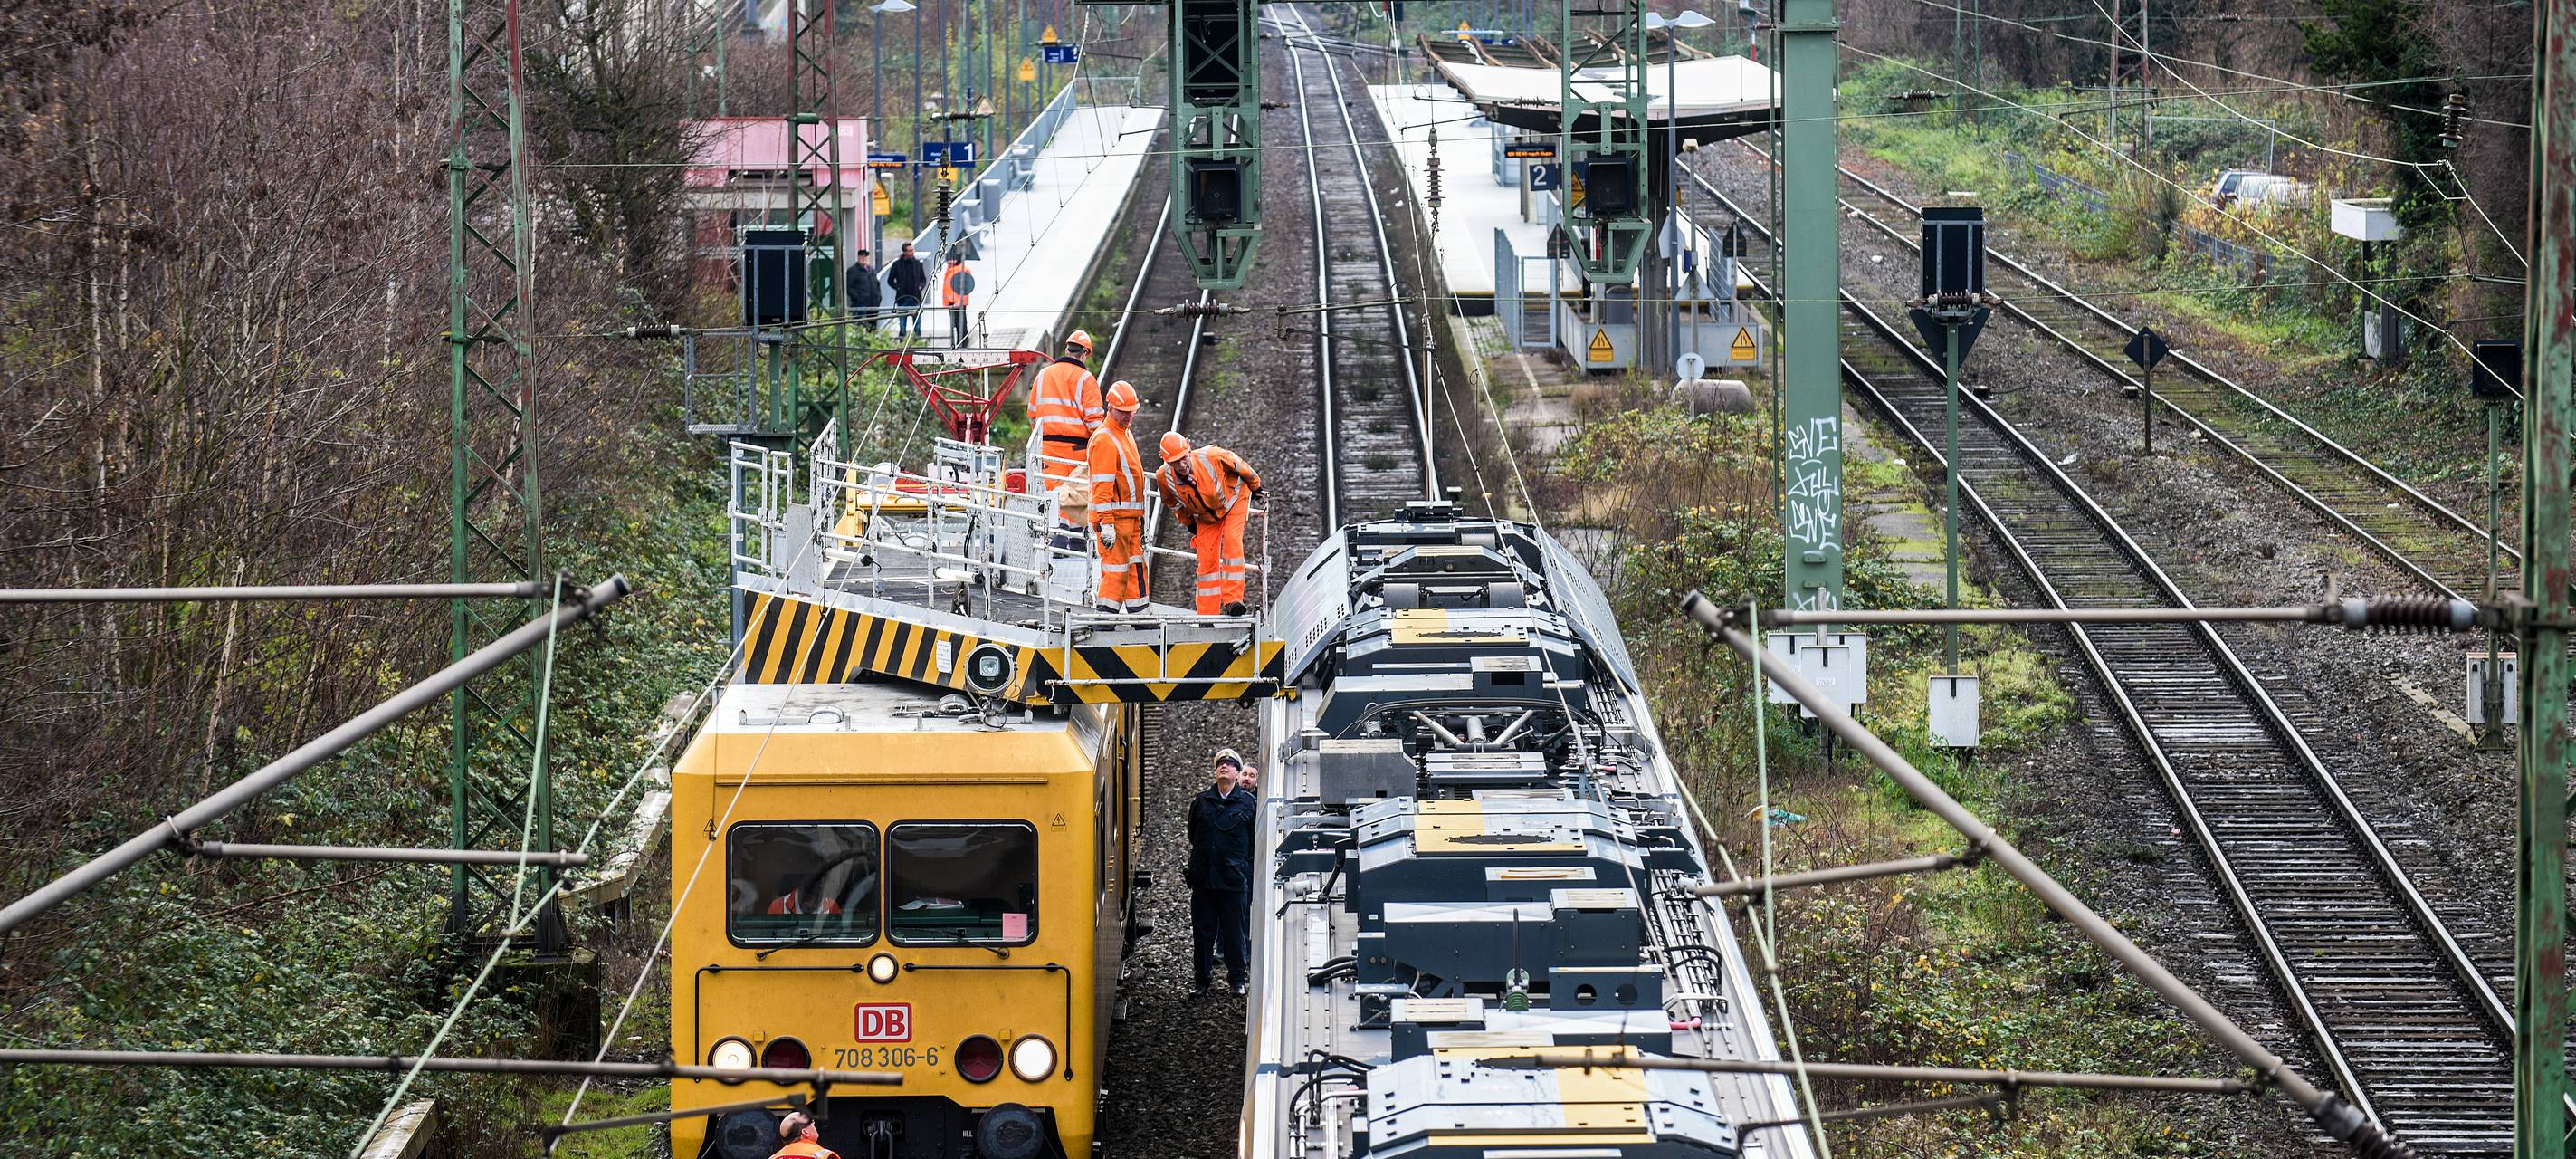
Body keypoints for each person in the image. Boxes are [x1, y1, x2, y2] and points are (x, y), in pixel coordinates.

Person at [1154, 430, 1264, 617]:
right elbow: (1171, 502)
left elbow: (1239, 465)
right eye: (1175, 462)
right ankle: (1207, 614)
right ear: (1167, 462)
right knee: (1206, 560)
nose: (1181, 465)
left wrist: (1256, 486)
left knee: (1232, 541)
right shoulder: (1163, 478)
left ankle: (1233, 601)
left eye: (1183, 458)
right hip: (1205, 516)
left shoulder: (1211, 456)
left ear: (1189, 451)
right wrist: (1188, 522)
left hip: (1234, 500)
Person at [1185, 748, 1257, 999]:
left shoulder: (1248, 804)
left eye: (1229, 764)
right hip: (1205, 880)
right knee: (1203, 935)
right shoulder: (1202, 801)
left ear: (1237, 773)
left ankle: (1237, 979)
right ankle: (1202, 981)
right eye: (1220, 765)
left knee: (1235, 933)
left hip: (1233, 882)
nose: (1223, 767)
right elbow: (1193, 834)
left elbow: (1253, 842)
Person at [1086, 380, 1149, 613]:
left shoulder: (1124, 433)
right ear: (1110, 408)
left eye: (1131, 412)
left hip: (1130, 519)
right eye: (1124, 412)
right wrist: (1107, 523)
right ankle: (1105, 618)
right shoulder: (1105, 439)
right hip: (1114, 519)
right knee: (1116, 571)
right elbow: (1102, 487)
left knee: (1134, 568)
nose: (1129, 417)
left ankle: (1140, 616)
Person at [1027, 330, 1103, 486]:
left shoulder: (1043, 375)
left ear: (1067, 350)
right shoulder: (1086, 379)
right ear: (1084, 354)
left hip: (1046, 452)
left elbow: (1032, 415)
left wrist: (1044, 438)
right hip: (1076, 455)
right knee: (1072, 503)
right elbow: (1094, 425)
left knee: (1048, 500)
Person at [885, 242, 927, 340]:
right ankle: (902, 347)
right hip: (902, 299)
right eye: (910, 250)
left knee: (917, 326)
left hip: (915, 298)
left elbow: (923, 279)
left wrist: (921, 286)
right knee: (902, 326)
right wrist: (898, 288)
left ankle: (918, 345)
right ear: (904, 252)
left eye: (913, 250)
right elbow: (890, 280)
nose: (912, 252)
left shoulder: (918, 264)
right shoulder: (897, 264)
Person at [770, 1111, 840, 1159]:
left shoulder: (775, 1157)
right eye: (812, 1124)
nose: (815, 1127)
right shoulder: (822, 1155)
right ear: (805, 1132)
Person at [942, 253, 974, 348]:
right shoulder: (950, 269)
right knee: (956, 324)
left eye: (952, 260)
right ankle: (960, 342)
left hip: (958, 303)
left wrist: (959, 301)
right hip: (951, 302)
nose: (950, 262)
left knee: (961, 324)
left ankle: (963, 343)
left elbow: (965, 288)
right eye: (948, 260)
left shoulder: (962, 269)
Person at [844, 248, 882, 330]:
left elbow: (877, 285)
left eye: (865, 256)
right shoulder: (853, 271)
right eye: (862, 256)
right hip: (861, 305)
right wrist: (858, 298)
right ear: (858, 257)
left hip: (873, 304)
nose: (864, 258)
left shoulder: (872, 270)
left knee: (872, 327)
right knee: (859, 327)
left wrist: (879, 297)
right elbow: (849, 287)